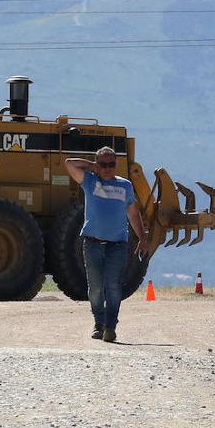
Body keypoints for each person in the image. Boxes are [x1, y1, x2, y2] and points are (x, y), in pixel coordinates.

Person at [64, 146, 148, 343]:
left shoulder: (125, 186)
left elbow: (133, 214)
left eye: (111, 164)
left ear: (116, 165)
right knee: (95, 288)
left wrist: (143, 238)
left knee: (113, 286)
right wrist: (92, 166)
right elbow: (69, 163)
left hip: (117, 245)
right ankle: (98, 322)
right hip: (92, 243)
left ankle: (110, 326)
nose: (108, 168)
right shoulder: (90, 182)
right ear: (97, 165)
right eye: (104, 164)